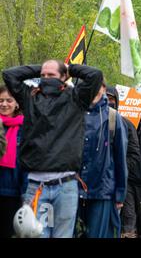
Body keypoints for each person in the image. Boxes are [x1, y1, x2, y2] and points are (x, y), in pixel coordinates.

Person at [2, 60, 103, 238]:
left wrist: (70, 68)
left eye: (51, 75)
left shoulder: (77, 97)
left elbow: (95, 75)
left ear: (64, 77)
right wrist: (41, 67)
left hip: (65, 184)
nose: (46, 79)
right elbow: (9, 74)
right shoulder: (29, 97)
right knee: (35, 235)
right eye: (42, 76)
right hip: (35, 186)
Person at [76, 83, 128, 238]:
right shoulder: (74, 115)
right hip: (75, 189)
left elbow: (120, 159)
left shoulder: (113, 118)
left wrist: (120, 193)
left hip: (102, 190)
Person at [105, 86, 141, 238]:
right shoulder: (91, 120)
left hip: (120, 180)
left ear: (117, 102)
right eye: (105, 98)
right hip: (96, 181)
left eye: (112, 99)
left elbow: (134, 153)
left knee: (123, 218)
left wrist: (119, 167)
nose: (108, 102)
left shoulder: (126, 124)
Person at [0, 85, 27, 238]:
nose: (4, 104)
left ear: (17, 103)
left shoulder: (25, 128)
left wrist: (25, 193)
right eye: (0, 100)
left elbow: (26, 163)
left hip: (13, 192)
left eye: (9, 100)